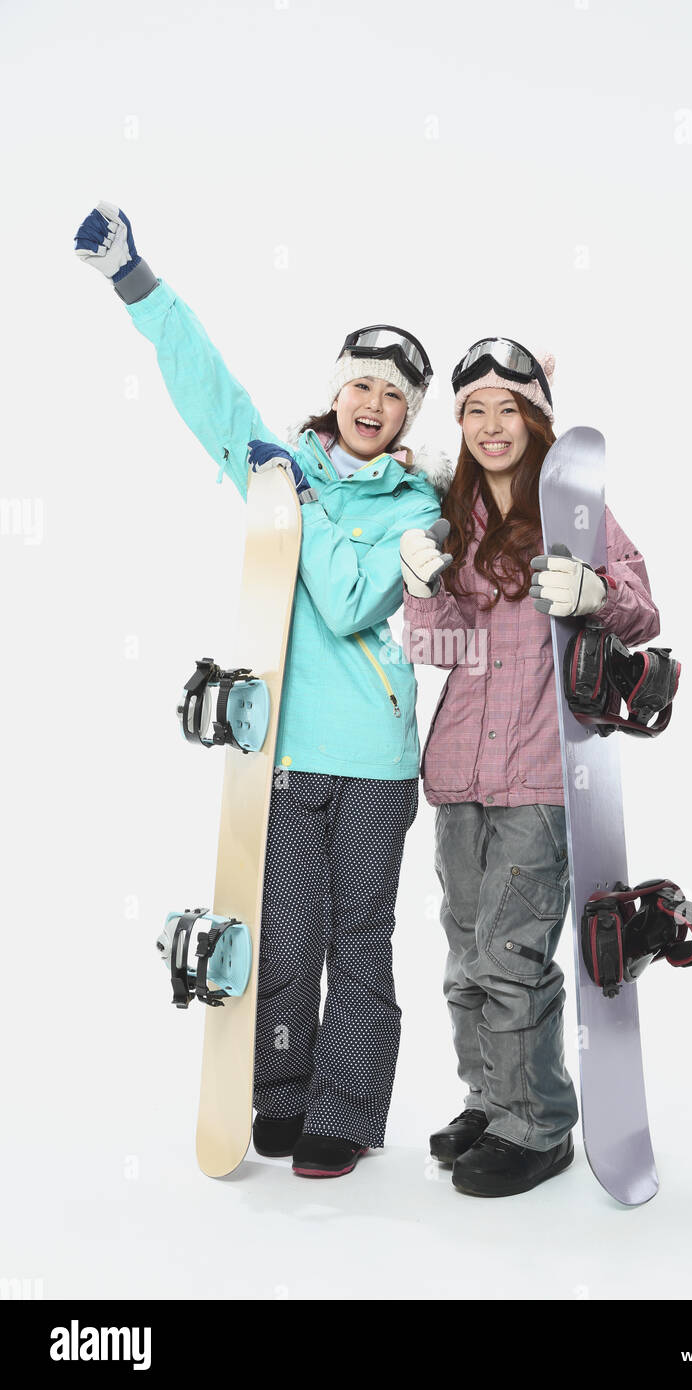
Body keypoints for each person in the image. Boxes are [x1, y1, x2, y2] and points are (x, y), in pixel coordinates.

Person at [75, 201, 450, 1178]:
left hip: (373, 761)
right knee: (284, 936)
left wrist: (316, 506)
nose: (372, 401)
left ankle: (344, 1109)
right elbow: (213, 396)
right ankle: (280, 1089)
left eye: (392, 394)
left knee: (359, 943)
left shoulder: (416, 504)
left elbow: (350, 594)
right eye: (359, 384)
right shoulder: (278, 471)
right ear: (335, 392)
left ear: (409, 416)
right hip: (280, 752)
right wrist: (136, 283)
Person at [399, 338, 660, 1197]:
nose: (489, 425)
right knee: (464, 957)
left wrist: (593, 591)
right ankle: (489, 1097)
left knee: (513, 956)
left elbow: (641, 609)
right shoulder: (455, 518)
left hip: (541, 777)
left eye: (507, 407)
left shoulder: (574, 514)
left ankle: (538, 1123)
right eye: (473, 409)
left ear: (537, 418)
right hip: (461, 773)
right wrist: (426, 587)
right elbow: (436, 648)